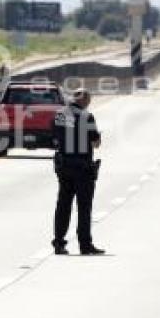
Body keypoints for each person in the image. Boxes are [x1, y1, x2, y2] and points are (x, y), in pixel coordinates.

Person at [51, 88, 105, 255]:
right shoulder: (86, 116)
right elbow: (96, 143)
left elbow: (54, 138)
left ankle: (59, 243)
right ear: (84, 100)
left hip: (64, 166)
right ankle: (85, 245)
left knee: (63, 205)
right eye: (88, 101)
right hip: (82, 167)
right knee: (84, 207)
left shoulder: (59, 115)